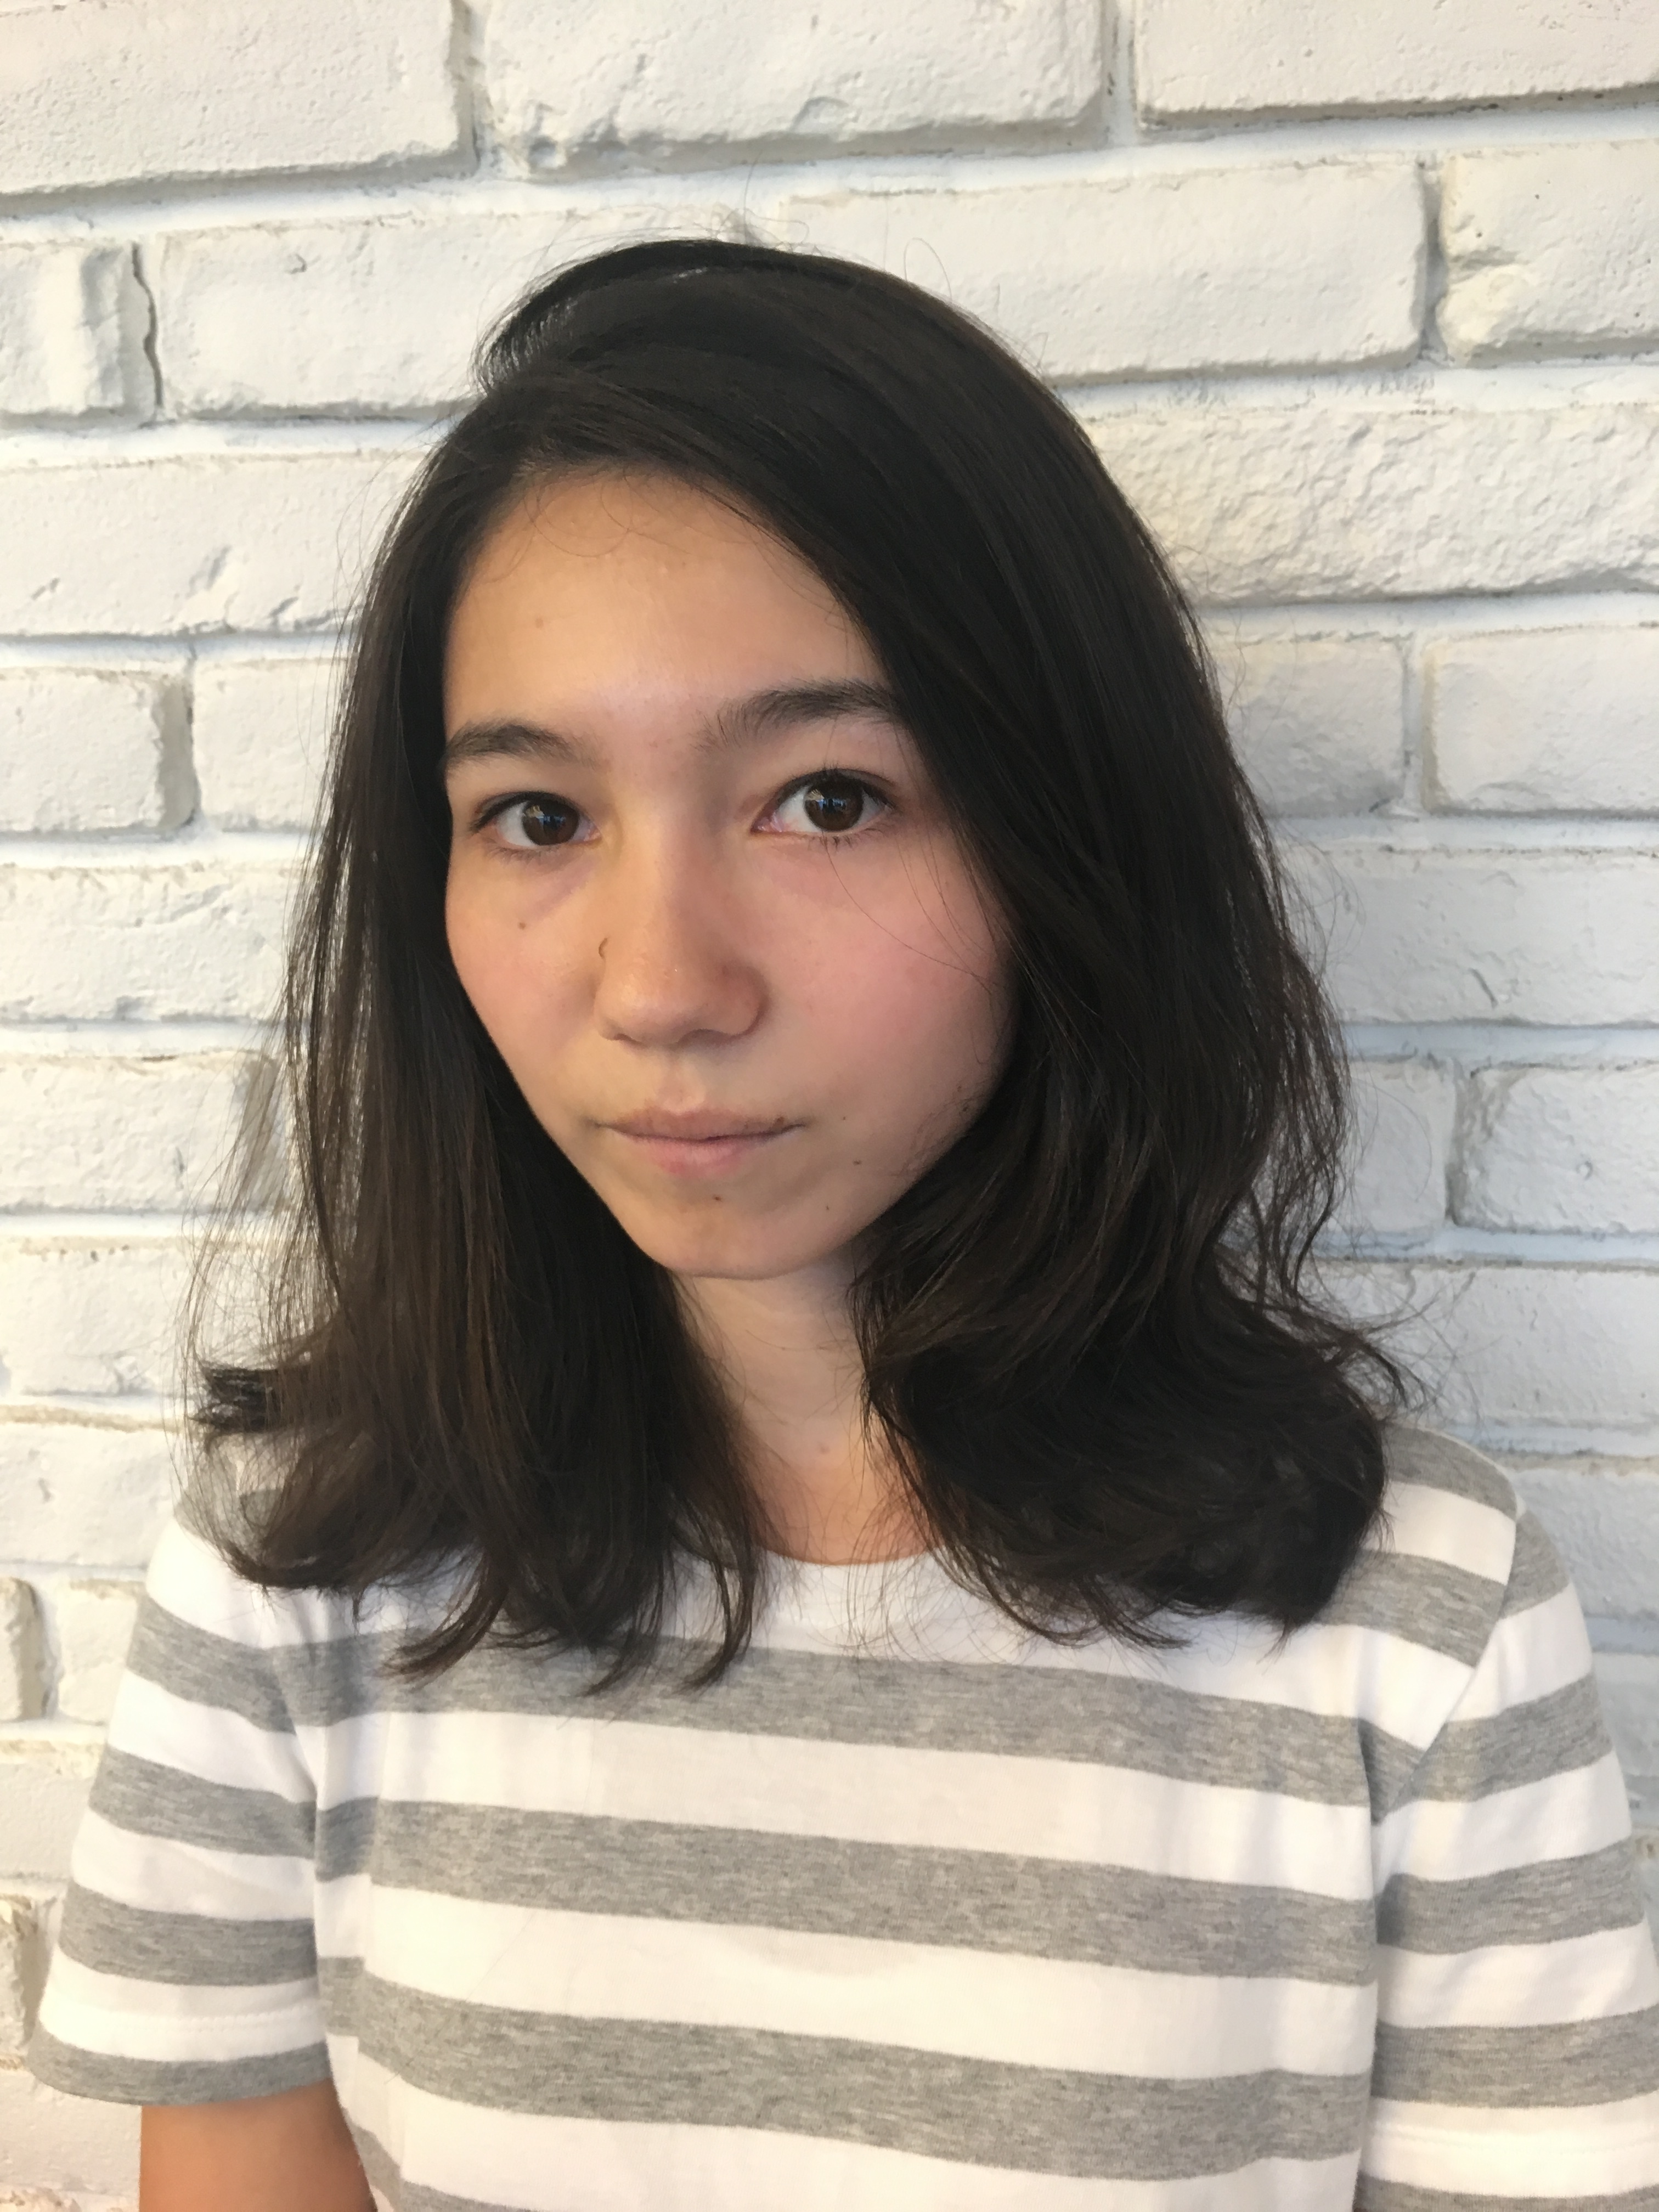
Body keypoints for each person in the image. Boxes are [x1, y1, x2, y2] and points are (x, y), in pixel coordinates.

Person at [28, 239, 1659, 2211]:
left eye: (825, 799)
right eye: (539, 816)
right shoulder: (302, 1565)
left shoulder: (1415, 1620)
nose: (662, 987)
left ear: (1067, 840)